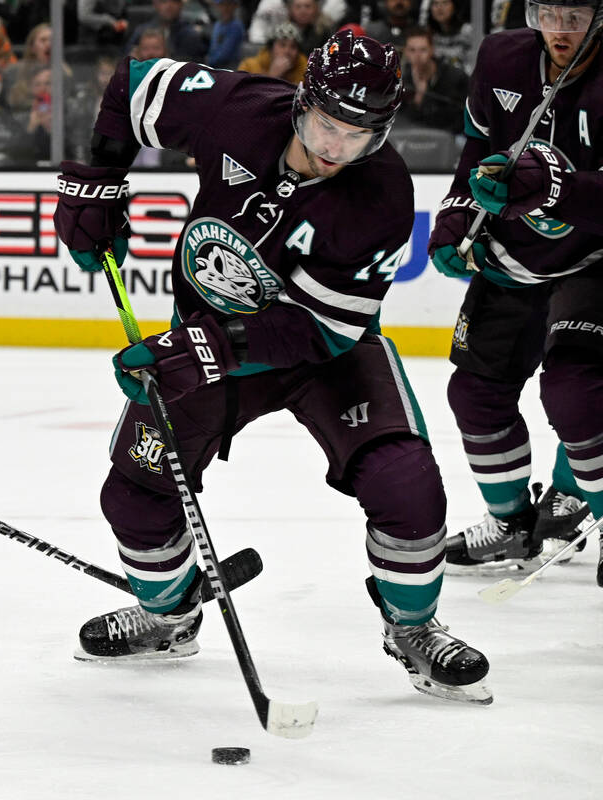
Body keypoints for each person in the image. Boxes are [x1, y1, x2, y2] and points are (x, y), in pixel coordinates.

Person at [53, 29, 492, 703]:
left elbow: (323, 328)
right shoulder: (235, 108)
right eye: (325, 123)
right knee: (134, 495)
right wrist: (98, 183)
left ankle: (413, 626)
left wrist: (199, 351)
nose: (333, 147)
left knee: (406, 485)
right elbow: (133, 83)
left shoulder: (380, 195)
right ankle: (170, 615)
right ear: (302, 103)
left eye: (356, 134)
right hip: (209, 339)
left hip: (323, 352)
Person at [425, 0, 601, 570]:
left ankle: (583, 497)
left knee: (576, 393)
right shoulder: (501, 58)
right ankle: (512, 524)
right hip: (515, 254)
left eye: (574, 17)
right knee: (474, 394)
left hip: (595, 259)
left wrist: (558, 190)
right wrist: (456, 214)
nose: (559, 31)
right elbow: (477, 152)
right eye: (548, 14)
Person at [398, 25, 468, 133]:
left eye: (423, 50)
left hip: (451, 136)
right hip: (414, 139)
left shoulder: (455, 77)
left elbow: (463, 114)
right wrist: (418, 98)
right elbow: (402, 123)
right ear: (406, 52)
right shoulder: (401, 83)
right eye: (412, 50)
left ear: (431, 50)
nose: (417, 55)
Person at [124, 0, 210, 63]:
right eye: (163, 1)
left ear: (181, 5)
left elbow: (190, 65)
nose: (169, 5)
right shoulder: (142, 30)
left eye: (174, 1)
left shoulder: (190, 35)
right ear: (155, 4)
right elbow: (127, 56)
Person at [238, 21, 308, 83]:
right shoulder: (248, 67)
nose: (287, 51)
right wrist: (272, 76)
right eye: (282, 45)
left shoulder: (305, 70)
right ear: (271, 48)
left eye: (293, 47)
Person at [208, 0, 247, 71]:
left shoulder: (236, 26)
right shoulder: (218, 25)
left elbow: (225, 54)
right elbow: (213, 48)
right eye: (222, 4)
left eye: (229, 4)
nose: (226, 8)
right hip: (215, 68)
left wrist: (209, 62)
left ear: (235, 6)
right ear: (218, 6)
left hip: (230, 69)